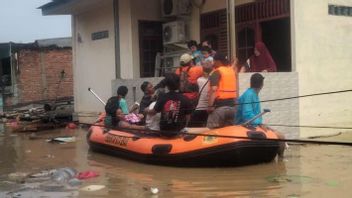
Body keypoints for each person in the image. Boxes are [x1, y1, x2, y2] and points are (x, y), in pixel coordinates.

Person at [236, 73, 285, 158]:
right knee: (281, 136)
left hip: (252, 124)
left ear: (251, 83)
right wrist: (260, 124)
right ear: (262, 84)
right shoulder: (249, 95)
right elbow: (247, 115)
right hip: (244, 125)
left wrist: (260, 124)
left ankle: (279, 158)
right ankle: (281, 161)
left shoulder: (252, 93)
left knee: (277, 134)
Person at [207, 53, 237, 129]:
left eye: (214, 60)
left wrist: (210, 106)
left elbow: (213, 90)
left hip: (219, 108)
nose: (213, 62)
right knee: (229, 133)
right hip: (232, 107)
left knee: (211, 132)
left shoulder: (217, 72)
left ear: (218, 61)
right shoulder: (231, 71)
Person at [189, 61, 213, 127]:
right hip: (209, 110)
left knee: (192, 129)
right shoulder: (214, 81)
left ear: (202, 70)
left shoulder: (199, 80)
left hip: (199, 109)